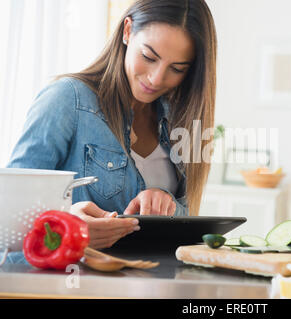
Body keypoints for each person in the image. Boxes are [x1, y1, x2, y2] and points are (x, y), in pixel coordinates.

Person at [6, 0, 217, 260]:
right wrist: (67, 229)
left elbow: (187, 224)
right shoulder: (68, 99)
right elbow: (9, 218)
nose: (156, 78)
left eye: (177, 69)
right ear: (127, 32)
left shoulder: (181, 120)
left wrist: (166, 202)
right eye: (149, 57)